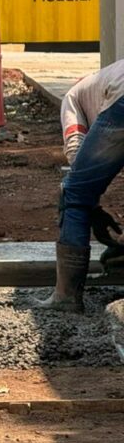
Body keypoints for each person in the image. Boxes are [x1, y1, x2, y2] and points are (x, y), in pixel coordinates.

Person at [42, 59, 124, 312]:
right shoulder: (104, 80)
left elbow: (77, 153)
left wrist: (89, 206)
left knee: (74, 194)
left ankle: (66, 298)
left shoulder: (73, 97)